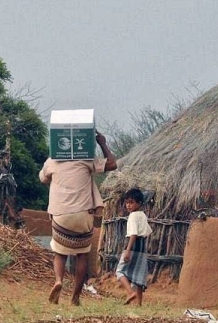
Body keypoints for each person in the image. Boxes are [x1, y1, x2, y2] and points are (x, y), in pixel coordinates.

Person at [39, 131, 117, 306]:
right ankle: (75, 297)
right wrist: (102, 143)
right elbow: (112, 164)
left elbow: (43, 179)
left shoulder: (52, 161)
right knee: (82, 254)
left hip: (60, 214)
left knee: (60, 253)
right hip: (83, 213)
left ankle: (58, 280)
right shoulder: (86, 159)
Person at [116, 188, 152, 306]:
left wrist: (127, 251)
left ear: (139, 203)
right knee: (139, 276)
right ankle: (139, 304)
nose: (128, 205)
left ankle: (130, 292)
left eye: (131, 202)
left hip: (133, 245)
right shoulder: (142, 215)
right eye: (127, 202)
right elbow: (147, 231)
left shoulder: (132, 217)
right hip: (142, 247)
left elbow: (133, 234)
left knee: (120, 271)